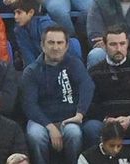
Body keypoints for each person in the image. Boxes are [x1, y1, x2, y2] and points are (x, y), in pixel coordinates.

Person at [19, 24, 92, 164]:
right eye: (51, 42)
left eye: (60, 43)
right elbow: (29, 105)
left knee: (74, 133)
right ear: (42, 45)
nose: (56, 47)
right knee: (35, 136)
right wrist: (50, 126)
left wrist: (80, 114)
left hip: (68, 119)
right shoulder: (31, 71)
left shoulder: (75, 64)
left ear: (66, 46)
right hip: (41, 121)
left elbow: (87, 86)